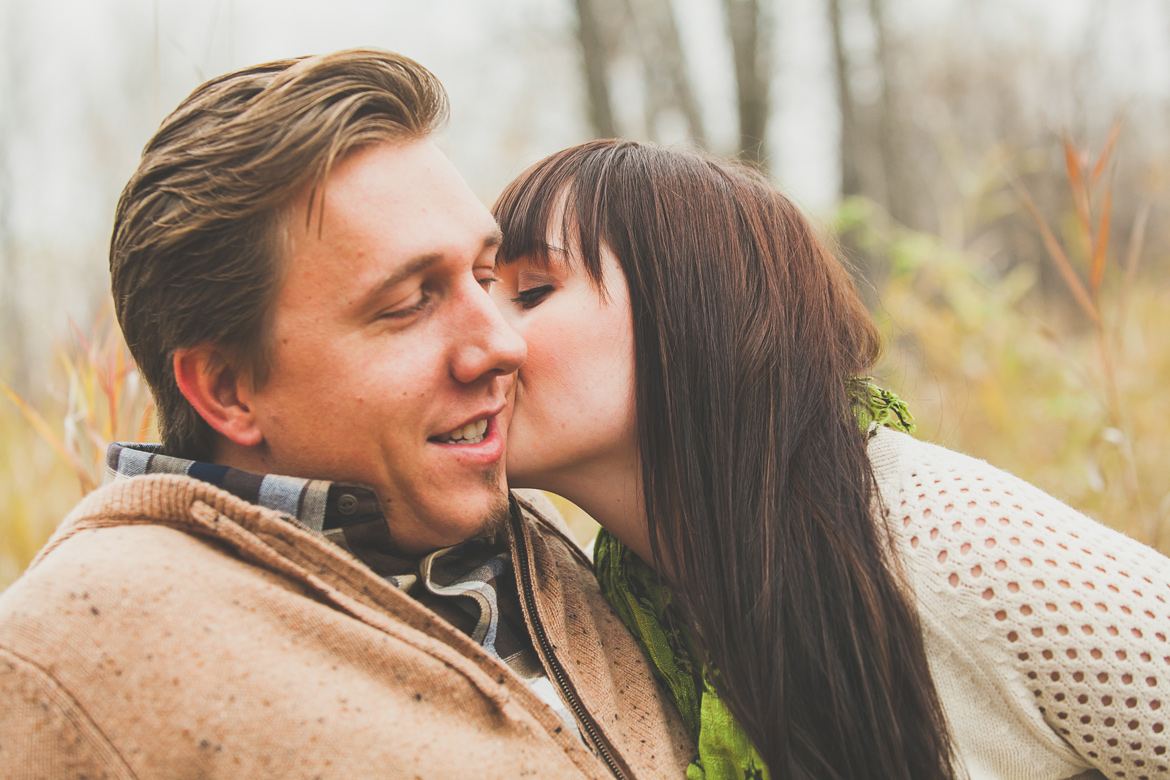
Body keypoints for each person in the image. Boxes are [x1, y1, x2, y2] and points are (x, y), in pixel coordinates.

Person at [0, 53, 694, 779]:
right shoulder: (68, 662)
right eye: (409, 303)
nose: (499, 342)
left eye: (484, 278)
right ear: (229, 389)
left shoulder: (545, 545)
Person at [490, 138, 1170, 780]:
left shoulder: (949, 540)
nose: (481, 334)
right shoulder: (610, 611)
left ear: (690, 312)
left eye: (530, 293)